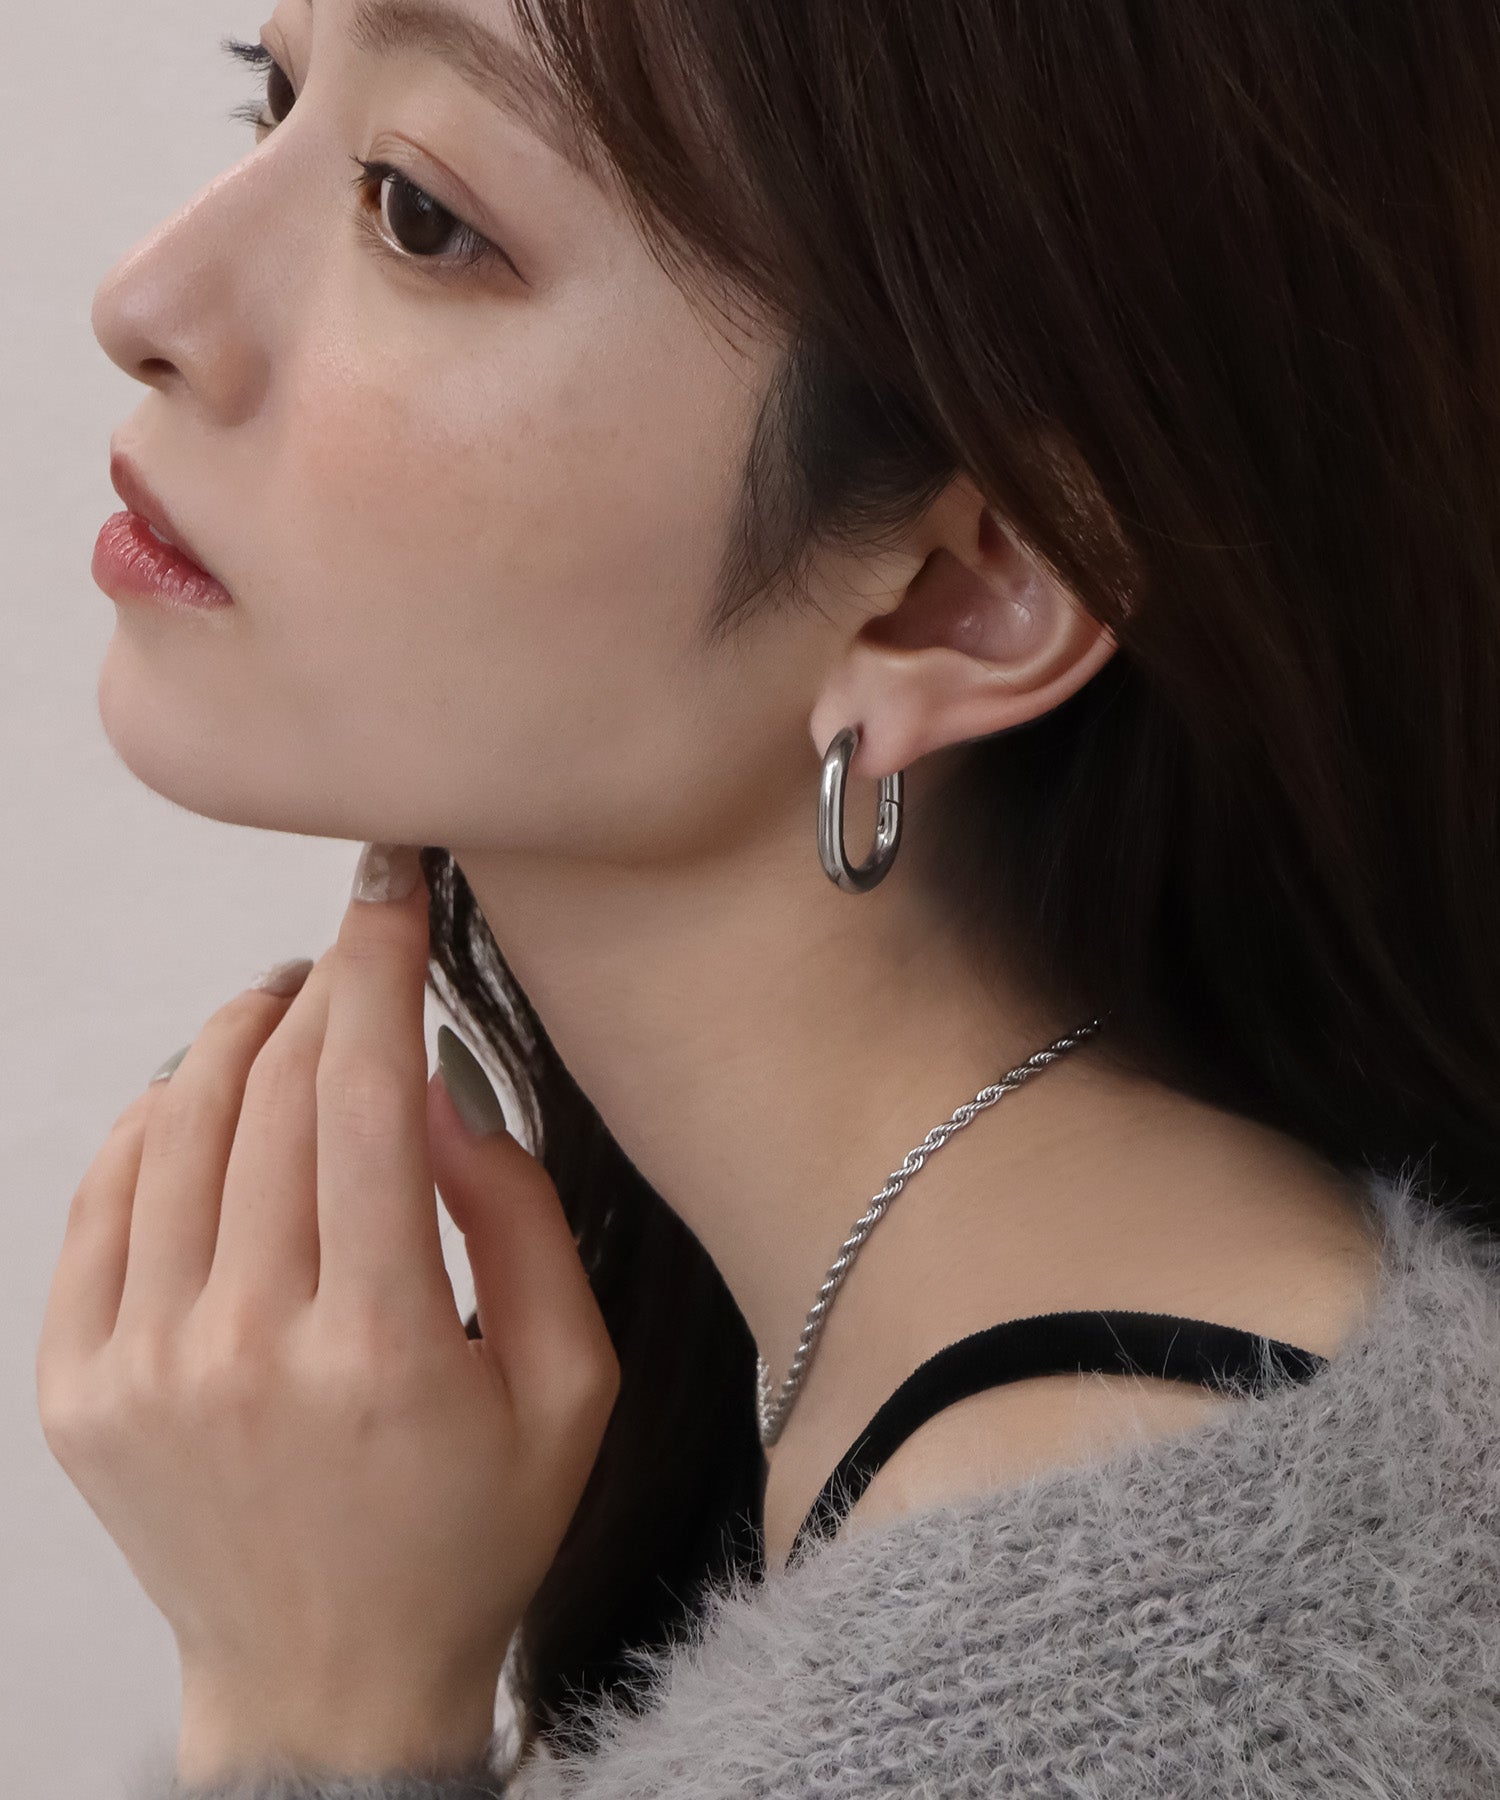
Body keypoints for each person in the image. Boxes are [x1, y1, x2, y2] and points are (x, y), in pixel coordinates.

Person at [53, 0, 1500, 1792]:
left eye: (419, 212)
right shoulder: (1155, 1438)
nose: (146, 298)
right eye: (273, 94)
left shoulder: (1054, 1716)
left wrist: (316, 1726)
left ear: (961, 593)